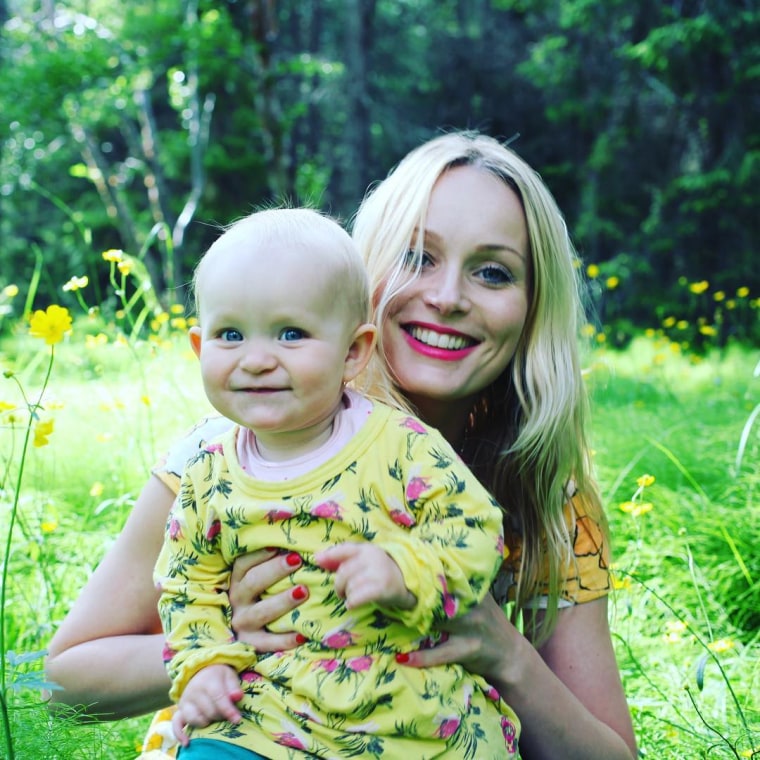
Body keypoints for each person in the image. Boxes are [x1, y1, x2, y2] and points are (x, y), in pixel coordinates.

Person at [46, 130, 638, 760]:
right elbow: (64, 680)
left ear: (531, 307)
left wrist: (507, 655)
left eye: (493, 272)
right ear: (363, 274)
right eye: (417, 257)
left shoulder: (545, 497)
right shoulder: (230, 460)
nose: (448, 297)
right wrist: (230, 639)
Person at [154, 206, 518, 758]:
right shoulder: (208, 472)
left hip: (406, 716)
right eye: (231, 334)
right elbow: (187, 585)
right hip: (265, 718)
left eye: (290, 333)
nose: (256, 360)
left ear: (353, 351)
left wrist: (405, 568)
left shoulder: (399, 445)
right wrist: (205, 662)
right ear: (200, 348)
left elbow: (476, 526)